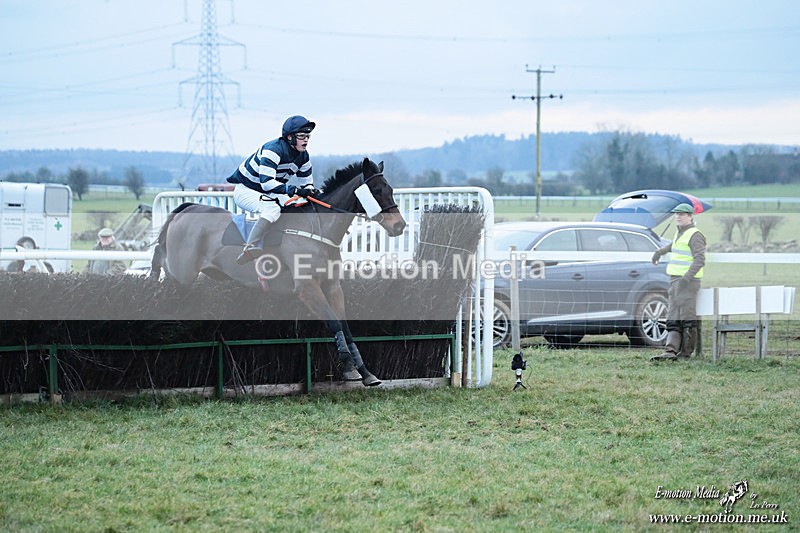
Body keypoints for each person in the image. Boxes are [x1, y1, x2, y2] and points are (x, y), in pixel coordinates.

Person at [226, 115, 321, 264]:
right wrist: (295, 190)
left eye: (308, 136)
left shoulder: (303, 156)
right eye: (302, 136)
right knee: (272, 209)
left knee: (296, 204)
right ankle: (250, 246)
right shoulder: (273, 150)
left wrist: (310, 191)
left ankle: (286, 244)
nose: (306, 140)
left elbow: (307, 184)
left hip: (269, 191)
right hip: (247, 190)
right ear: (290, 137)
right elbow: (267, 183)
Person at [650, 203, 706, 361]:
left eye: (682, 214)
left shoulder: (695, 235)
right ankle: (670, 352)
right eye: (676, 214)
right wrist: (660, 252)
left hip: (687, 283)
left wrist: (685, 279)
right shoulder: (680, 233)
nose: (678, 216)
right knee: (673, 318)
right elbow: (674, 246)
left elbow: (700, 260)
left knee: (687, 319)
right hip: (675, 281)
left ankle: (685, 354)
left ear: (690, 216)